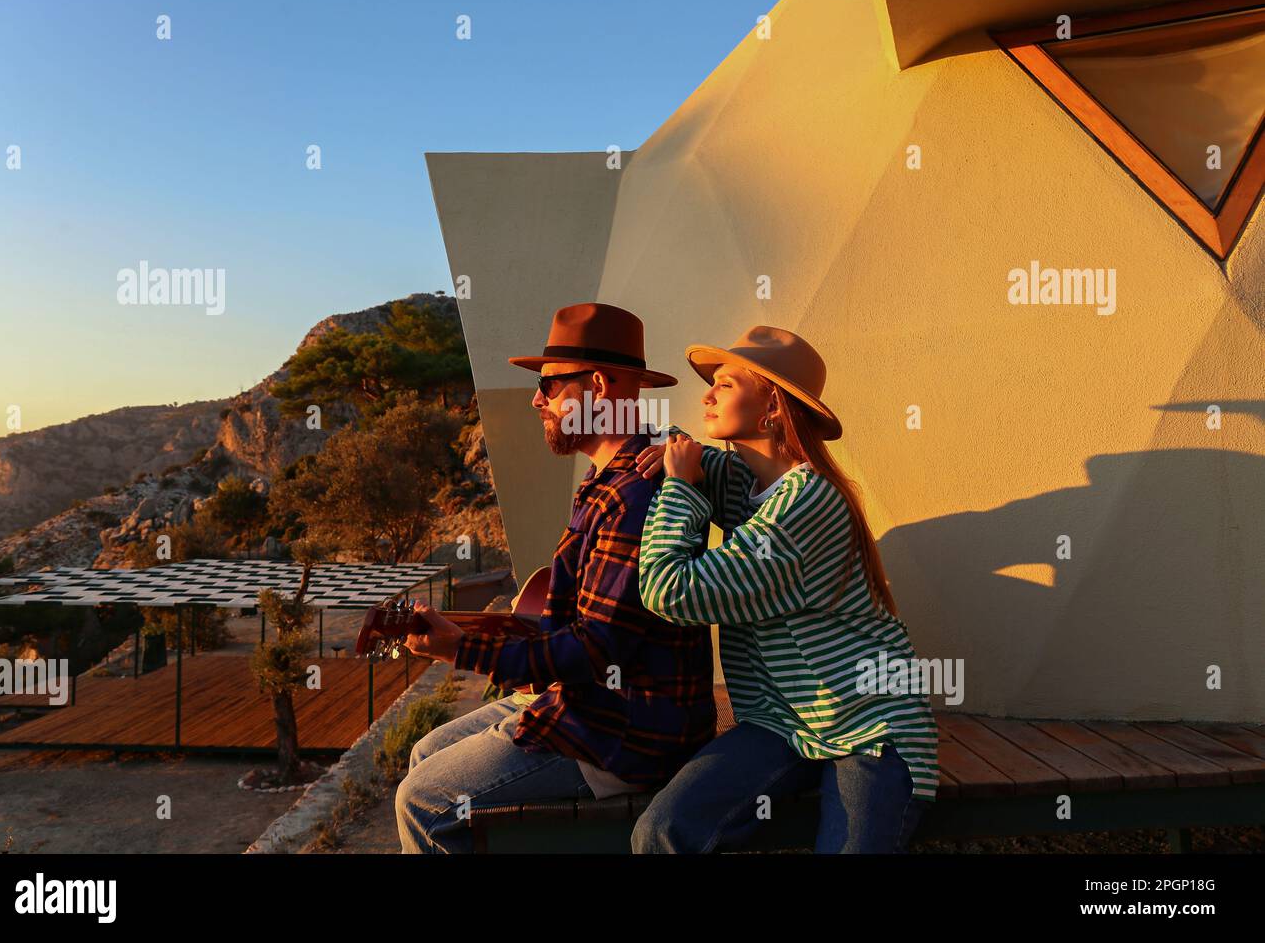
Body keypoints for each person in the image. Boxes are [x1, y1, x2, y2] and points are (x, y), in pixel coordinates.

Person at [394, 301, 716, 853]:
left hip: (626, 731)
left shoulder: (632, 493)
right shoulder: (614, 476)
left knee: (421, 800)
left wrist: (461, 651)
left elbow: (597, 648)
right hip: (600, 704)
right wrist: (470, 636)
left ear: (596, 385)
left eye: (549, 384)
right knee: (424, 756)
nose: (536, 398)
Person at [631, 324, 939, 853]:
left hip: (868, 726)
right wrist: (681, 454)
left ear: (772, 405)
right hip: (779, 723)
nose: (706, 393)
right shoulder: (744, 479)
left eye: (725, 385)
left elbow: (668, 589)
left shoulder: (805, 503)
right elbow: (708, 460)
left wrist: (679, 487)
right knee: (663, 832)